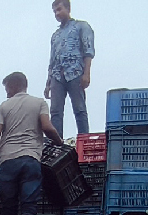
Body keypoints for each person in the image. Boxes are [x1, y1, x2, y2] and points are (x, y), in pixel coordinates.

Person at [0, 72, 63, 215]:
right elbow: (47, 127)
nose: (7, 93)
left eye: (7, 89)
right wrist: (59, 141)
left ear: (14, 85)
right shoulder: (39, 103)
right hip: (30, 158)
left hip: (8, 162)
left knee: (8, 208)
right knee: (28, 207)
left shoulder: (4, 106)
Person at [45, 0, 95, 138]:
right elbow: (52, 59)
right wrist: (48, 82)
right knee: (55, 111)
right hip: (57, 76)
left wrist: (86, 73)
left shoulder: (81, 26)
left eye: (59, 9)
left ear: (68, 8)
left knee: (79, 108)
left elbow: (88, 50)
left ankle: (84, 138)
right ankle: (57, 142)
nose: (57, 13)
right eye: (54, 11)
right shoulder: (55, 35)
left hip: (75, 73)